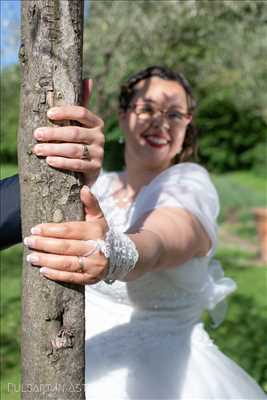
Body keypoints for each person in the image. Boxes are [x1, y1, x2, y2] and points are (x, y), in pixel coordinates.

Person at [23, 66, 267, 399]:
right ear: (123, 117)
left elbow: (163, 239)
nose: (160, 122)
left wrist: (119, 254)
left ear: (187, 125)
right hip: (78, 366)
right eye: (147, 109)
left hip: (172, 382)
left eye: (174, 114)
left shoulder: (190, 184)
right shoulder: (99, 187)